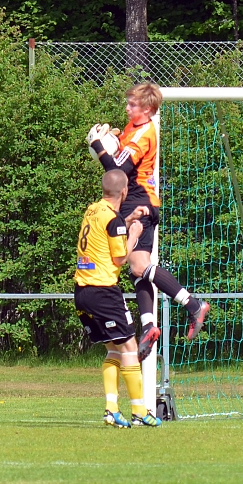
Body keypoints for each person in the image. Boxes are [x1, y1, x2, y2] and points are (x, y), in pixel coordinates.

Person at [88, 82, 210, 361]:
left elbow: (117, 172)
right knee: (136, 269)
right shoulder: (133, 128)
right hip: (136, 199)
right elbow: (119, 159)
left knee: (139, 265)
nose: (127, 108)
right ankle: (149, 326)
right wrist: (111, 144)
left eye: (132, 105)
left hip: (138, 201)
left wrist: (98, 146)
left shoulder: (144, 132)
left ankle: (193, 304)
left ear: (148, 109)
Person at [75, 170, 161, 428]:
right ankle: (140, 411)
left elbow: (109, 228)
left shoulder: (93, 210)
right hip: (103, 291)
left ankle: (111, 409)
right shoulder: (115, 219)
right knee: (131, 349)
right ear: (124, 192)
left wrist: (127, 219)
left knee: (113, 350)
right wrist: (134, 233)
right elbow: (120, 258)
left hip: (82, 292)